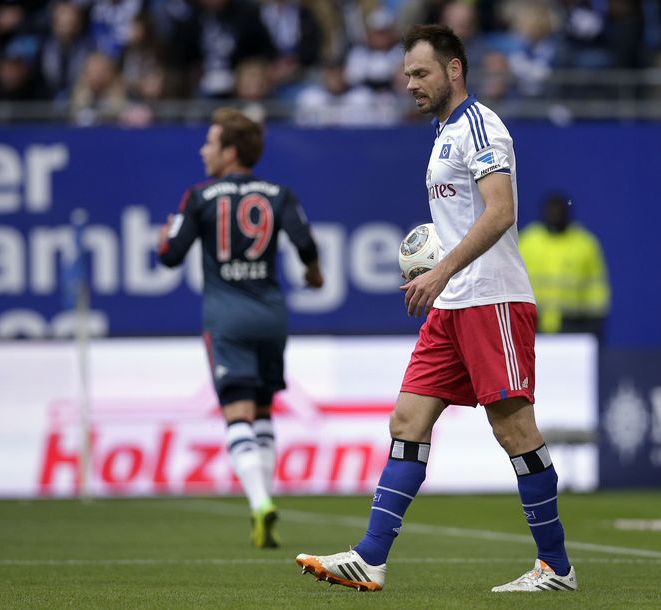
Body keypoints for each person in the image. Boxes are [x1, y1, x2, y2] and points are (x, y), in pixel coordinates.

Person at [296, 24, 578, 593]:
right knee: (407, 420)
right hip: (450, 304)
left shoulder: (480, 125)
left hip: (490, 298)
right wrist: (438, 269)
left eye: (420, 73)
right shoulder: (443, 132)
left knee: (515, 430)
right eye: (406, 75)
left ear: (454, 69)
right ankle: (371, 557)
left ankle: (556, 567)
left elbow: (500, 211)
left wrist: (443, 268)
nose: (409, 84)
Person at [157, 107, 324, 548]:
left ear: (230, 152)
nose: (202, 150)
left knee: (237, 412)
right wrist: (313, 273)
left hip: (226, 319)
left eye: (210, 143)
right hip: (270, 316)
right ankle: (264, 507)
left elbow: (171, 255)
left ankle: (258, 502)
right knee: (264, 410)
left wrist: (162, 239)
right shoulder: (279, 193)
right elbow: (305, 242)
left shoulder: (199, 197)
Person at [519, 193, 610, 338]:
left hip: (574, 325)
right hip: (532, 323)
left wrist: (595, 322)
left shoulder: (585, 244)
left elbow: (596, 288)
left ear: (568, 212)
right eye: (551, 210)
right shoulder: (528, 241)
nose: (555, 214)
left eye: (559, 210)